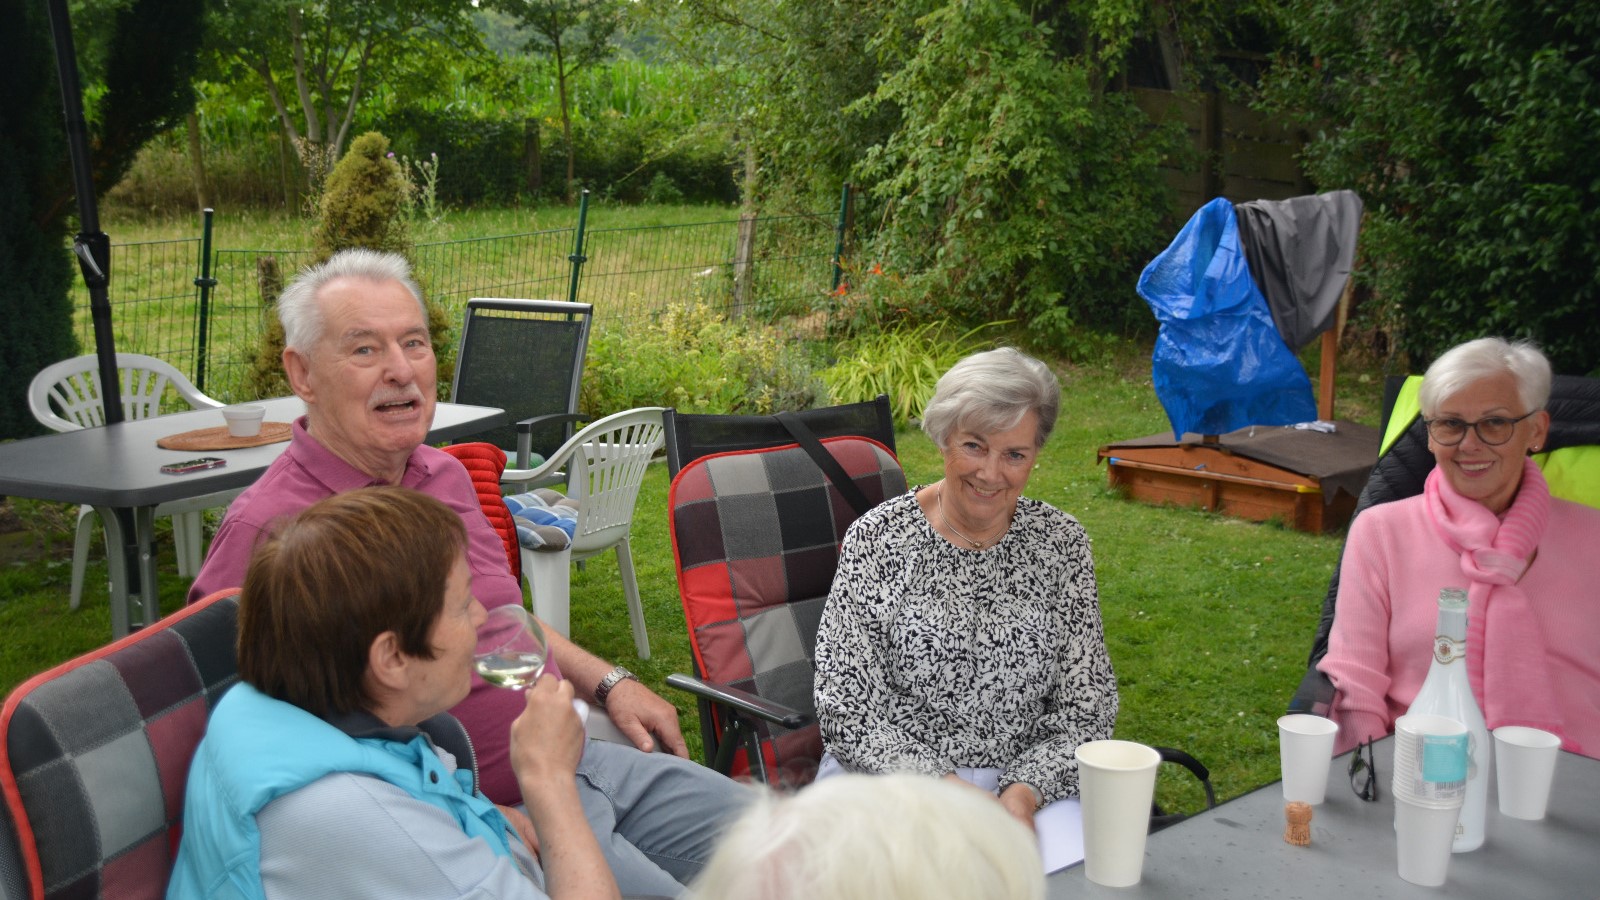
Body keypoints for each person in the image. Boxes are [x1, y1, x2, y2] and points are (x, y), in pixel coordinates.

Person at [188, 249, 749, 894]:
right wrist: (458, 811)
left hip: (579, 756)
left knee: (792, 843)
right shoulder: (273, 533)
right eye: (365, 349)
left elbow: (501, 619)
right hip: (492, 812)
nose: (402, 371)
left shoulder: (445, 475)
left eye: (414, 343)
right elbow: (240, 731)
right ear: (302, 373)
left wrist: (608, 681)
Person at [169, 487, 618, 899]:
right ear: (392, 658)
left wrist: (485, 816)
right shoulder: (353, 818)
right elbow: (390, 838)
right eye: (463, 604)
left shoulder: (269, 710)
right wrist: (549, 784)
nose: (482, 616)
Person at [812, 347, 1118, 833]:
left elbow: (1088, 707)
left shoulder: (1061, 544)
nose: (990, 473)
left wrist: (1022, 795)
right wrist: (950, 792)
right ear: (944, 438)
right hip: (891, 782)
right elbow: (845, 708)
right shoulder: (878, 540)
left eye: (1014, 454)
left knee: (1082, 869)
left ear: (1035, 456)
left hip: (1026, 787)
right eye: (974, 446)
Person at [1319, 337, 1600, 756]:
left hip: (1579, 776)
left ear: (1536, 430)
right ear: (1430, 436)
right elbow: (1355, 684)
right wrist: (1370, 777)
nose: (1470, 444)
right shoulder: (1381, 532)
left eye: (1495, 422)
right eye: (1450, 423)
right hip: (1420, 770)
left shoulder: (1593, 537)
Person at [688, 773, 1045, 900]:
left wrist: (1024, 788)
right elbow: (848, 714)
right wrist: (944, 781)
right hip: (883, 774)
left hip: (1013, 787)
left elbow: (1076, 717)